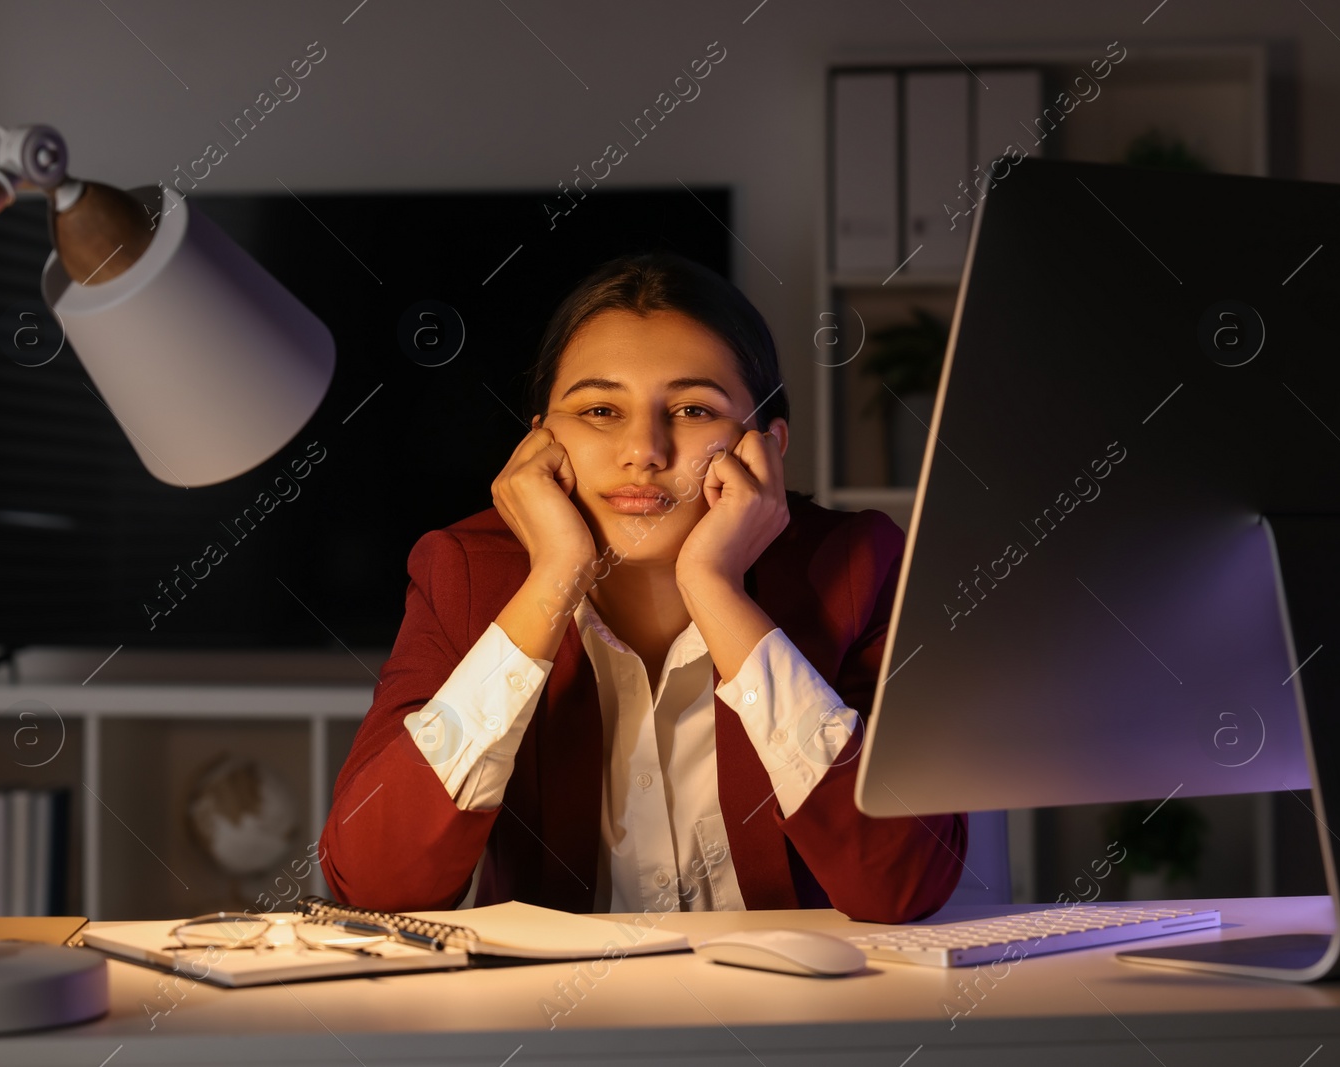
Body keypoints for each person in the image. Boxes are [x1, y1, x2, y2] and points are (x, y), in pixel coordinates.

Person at [319, 252, 967, 924]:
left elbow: (903, 882)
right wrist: (551, 581)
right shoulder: (466, 574)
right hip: (553, 1021)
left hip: (794, 1018)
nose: (644, 450)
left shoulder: (858, 565)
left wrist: (717, 592)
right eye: (600, 408)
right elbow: (372, 883)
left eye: (691, 409)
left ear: (766, 447)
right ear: (539, 442)